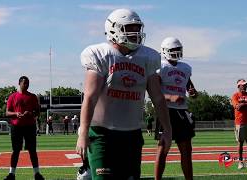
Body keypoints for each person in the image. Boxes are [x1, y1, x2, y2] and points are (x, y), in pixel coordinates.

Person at [76, 8, 172, 180]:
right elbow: (90, 97)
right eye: (130, 28)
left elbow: (157, 97)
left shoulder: (147, 57)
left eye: (137, 28)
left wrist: (167, 129)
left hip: (132, 134)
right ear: (114, 29)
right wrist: (83, 133)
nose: (136, 33)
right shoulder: (101, 55)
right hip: (101, 133)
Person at [154, 37, 197, 180]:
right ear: (165, 51)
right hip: (166, 110)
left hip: (182, 111)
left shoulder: (185, 68)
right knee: (163, 148)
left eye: (178, 49)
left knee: (186, 150)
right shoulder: (161, 66)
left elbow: (190, 87)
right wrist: (171, 97)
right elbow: (154, 92)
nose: (176, 52)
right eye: (173, 50)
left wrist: (193, 92)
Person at [4, 76, 45, 180]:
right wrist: (16, 114)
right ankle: (11, 174)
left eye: (28, 83)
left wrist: (30, 113)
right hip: (16, 127)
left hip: (30, 126)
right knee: (15, 151)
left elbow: (38, 112)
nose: (27, 85)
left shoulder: (32, 97)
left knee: (32, 151)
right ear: (19, 83)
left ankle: (37, 174)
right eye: (25, 83)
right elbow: (7, 113)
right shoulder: (12, 97)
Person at [231, 79, 247, 169]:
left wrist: (244, 104)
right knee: (240, 143)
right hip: (240, 122)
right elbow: (237, 106)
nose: (245, 86)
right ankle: (240, 162)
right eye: (243, 85)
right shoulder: (235, 95)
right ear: (238, 86)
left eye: (245, 85)